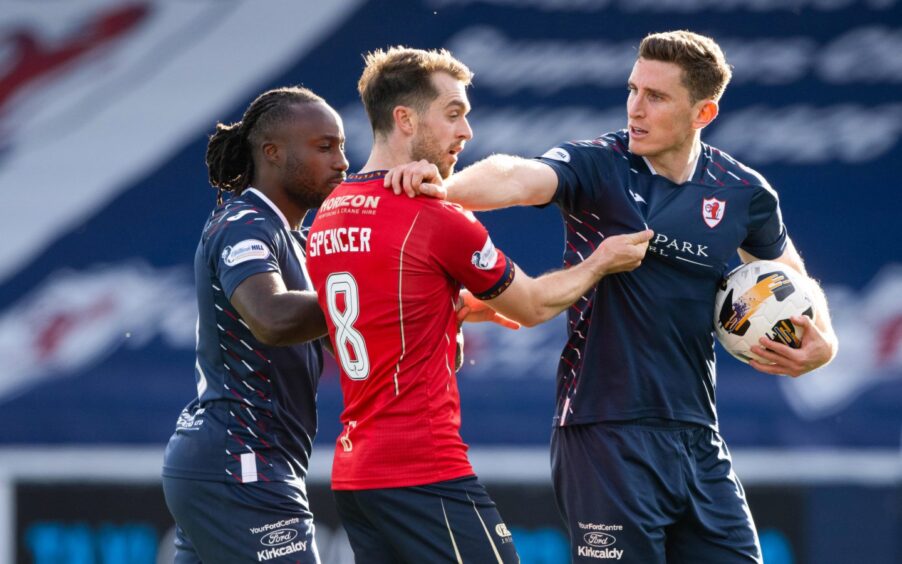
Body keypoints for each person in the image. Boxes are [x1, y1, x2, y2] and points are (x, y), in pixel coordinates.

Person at [387, 31, 839, 563]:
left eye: (656, 96)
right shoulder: (601, 165)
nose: (636, 109)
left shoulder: (745, 192)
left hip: (697, 435)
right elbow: (516, 175)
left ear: (704, 112)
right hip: (603, 432)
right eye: (633, 90)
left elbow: (791, 278)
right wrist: (447, 188)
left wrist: (824, 343)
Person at [304, 46, 652, 564]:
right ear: (404, 119)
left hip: (355, 475)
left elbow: (382, 325)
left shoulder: (328, 215)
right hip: (423, 468)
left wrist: (446, 314)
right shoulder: (433, 216)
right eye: (453, 114)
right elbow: (532, 306)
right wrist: (599, 261)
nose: (466, 132)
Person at [161, 86, 348, 564]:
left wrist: (429, 310)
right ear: (272, 152)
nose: (342, 162)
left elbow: (350, 339)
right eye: (325, 147)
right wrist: (365, 295)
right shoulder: (244, 223)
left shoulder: (296, 240)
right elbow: (271, 317)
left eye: (342, 147)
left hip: (240, 463)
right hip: (240, 463)